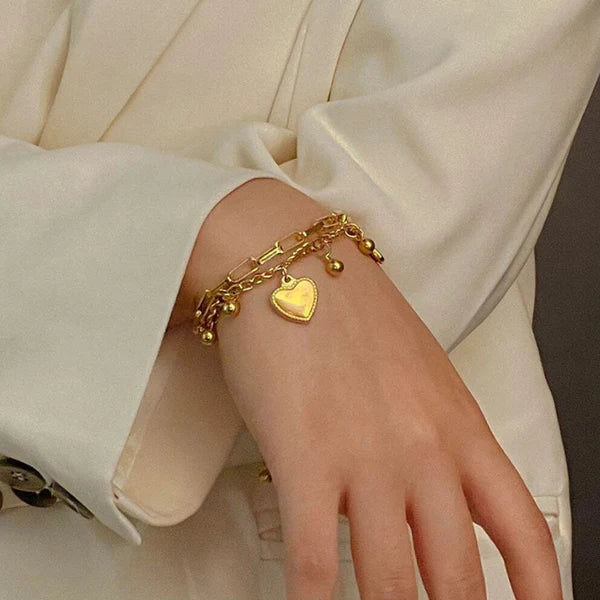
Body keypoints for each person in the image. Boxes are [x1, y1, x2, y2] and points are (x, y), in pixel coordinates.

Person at [1, 0, 599, 598]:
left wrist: (123, 247)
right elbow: (331, 280)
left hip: (294, 542)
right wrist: (211, 229)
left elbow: (408, 236)